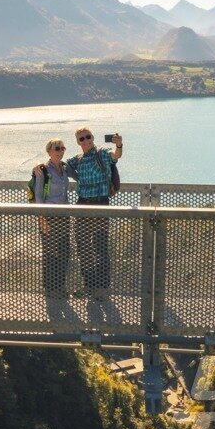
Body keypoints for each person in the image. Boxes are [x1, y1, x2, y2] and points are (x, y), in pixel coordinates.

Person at [62, 127, 123, 301]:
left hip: (100, 203)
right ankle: (89, 286)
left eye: (88, 137)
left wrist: (119, 145)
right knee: (83, 247)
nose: (86, 140)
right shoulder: (77, 159)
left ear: (93, 137)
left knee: (100, 247)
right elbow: (61, 165)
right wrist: (41, 167)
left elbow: (116, 156)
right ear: (78, 142)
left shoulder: (101, 153)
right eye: (82, 139)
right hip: (82, 204)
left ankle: (102, 289)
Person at [34, 138, 75, 299]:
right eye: (56, 148)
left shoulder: (64, 168)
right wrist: (42, 218)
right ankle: (51, 290)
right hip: (49, 216)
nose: (60, 151)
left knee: (64, 252)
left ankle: (60, 287)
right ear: (49, 151)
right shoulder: (43, 170)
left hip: (63, 216)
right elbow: (38, 195)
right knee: (50, 253)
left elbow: (79, 176)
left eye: (62, 148)